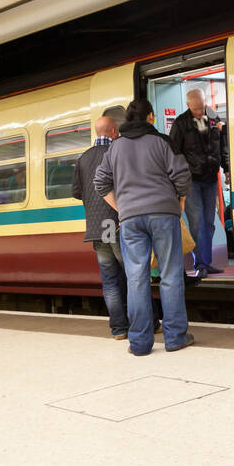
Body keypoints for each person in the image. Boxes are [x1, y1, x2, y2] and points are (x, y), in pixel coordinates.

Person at [94, 98, 193, 355]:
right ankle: (175, 338)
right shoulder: (162, 142)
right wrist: (179, 201)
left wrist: (122, 208)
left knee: (136, 279)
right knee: (170, 275)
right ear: (150, 116)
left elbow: (100, 182)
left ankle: (139, 343)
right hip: (163, 214)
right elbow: (182, 175)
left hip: (131, 220)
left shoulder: (115, 148)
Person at [71, 113, 129, 339]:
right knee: (132, 275)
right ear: (114, 132)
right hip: (117, 224)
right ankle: (147, 322)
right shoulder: (118, 153)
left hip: (97, 229)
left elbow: (76, 192)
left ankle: (118, 329)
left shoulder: (83, 158)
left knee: (110, 281)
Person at [170, 88, 226, 277]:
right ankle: (200, 263)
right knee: (197, 223)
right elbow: (174, 154)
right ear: (188, 106)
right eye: (195, 109)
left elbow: (222, 144)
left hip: (210, 178)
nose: (200, 112)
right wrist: (179, 179)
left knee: (209, 223)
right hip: (191, 180)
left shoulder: (213, 118)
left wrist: (226, 168)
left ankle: (206, 262)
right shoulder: (180, 124)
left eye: (201, 107)